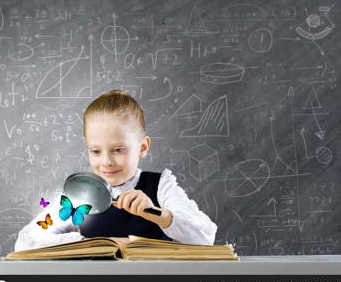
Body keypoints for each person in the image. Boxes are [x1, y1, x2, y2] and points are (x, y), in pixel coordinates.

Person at [14, 90, 217, 251]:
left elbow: (205, 236)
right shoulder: (80, 196)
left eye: (118, 150)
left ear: (143, 147)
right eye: (95, 151)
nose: (106, 162)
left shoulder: (161, 186)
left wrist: (159, 214)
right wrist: (92, 243)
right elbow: (26, 241)